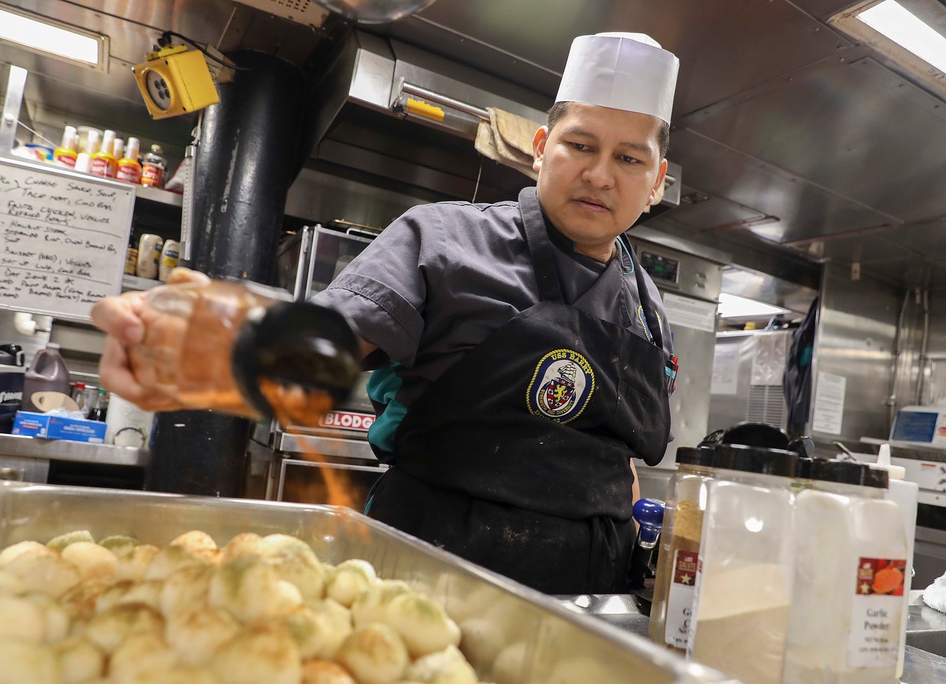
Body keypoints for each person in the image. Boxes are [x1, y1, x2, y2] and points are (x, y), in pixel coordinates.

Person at [92, 32, 680, 595]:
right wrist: (206, 348)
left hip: (589, 595)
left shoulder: (647, 305)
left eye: (629, 158)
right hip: (434, 566)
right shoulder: (445, 240)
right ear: (540, 147)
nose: (600, 174)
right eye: (580, 145)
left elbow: (615, 456)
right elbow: (327, 345)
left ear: (654, 183)